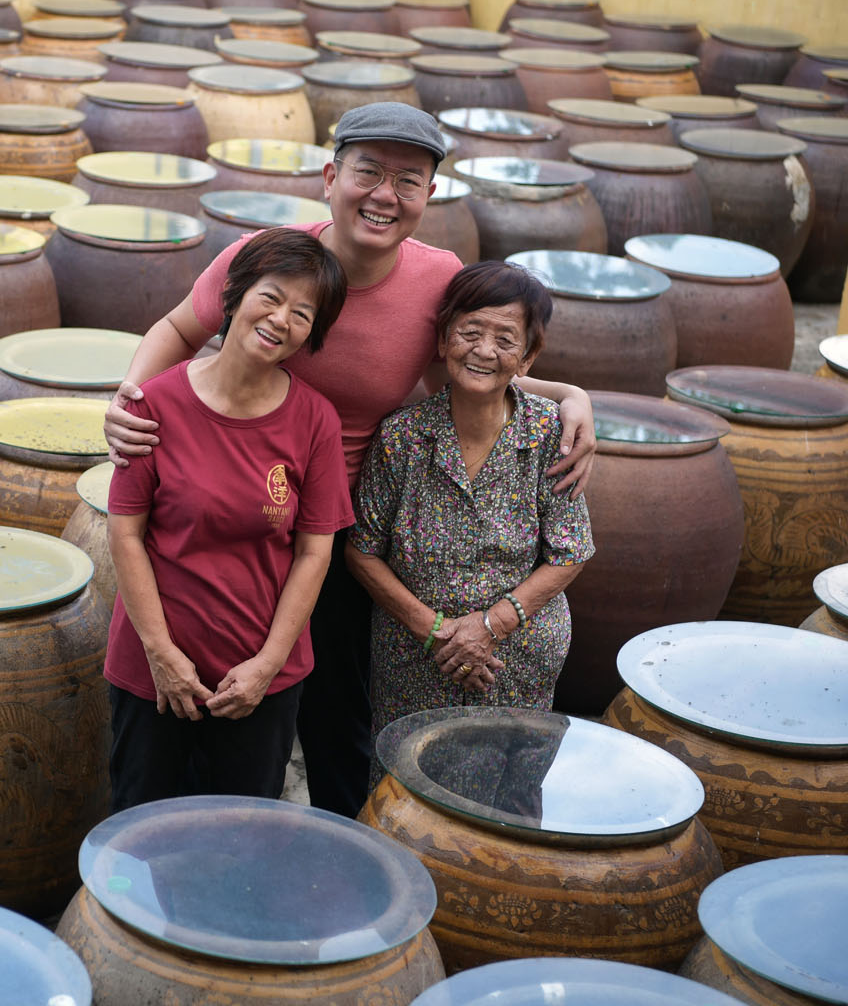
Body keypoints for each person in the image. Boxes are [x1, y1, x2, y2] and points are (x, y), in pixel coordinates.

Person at [103, 102, 598, 818]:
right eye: (368, 172)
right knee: (176, 685)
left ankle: (337, 852)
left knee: (334, 714)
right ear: (331, 176)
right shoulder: (269, 262)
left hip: (345, 528)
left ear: (429, 198)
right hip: (223, 502)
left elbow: (475, 362)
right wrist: (128, 399)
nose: (384, 195)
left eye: (408, 181)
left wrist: (568, 393)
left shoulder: (438, 280)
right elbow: (180, 328)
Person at [105, 227, 352, 811]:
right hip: (155, 671)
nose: (281, 318)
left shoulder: (315, 420)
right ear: (235, 295)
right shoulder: (154, 405)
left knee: (241, 844)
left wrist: (267, 667)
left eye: (303, 312)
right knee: (139, 838)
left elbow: (315, 552)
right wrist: (162, 653)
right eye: (271, 296)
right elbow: (125, 533)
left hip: (261, 681)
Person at [347, 261, 594, 770]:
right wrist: (435, 630)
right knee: (407, 797)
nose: (484, 350)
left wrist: (490, 626)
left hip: (516, 661)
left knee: (506, 814)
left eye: (505, 339)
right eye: (470, 331)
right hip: (414, 657)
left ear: (527, 357)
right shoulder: (403, 437)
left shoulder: (551, 434)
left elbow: (570, 553)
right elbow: (361, 550)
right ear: (442, 340)